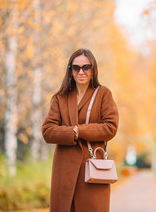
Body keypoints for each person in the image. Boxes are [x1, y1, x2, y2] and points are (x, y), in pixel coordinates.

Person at [42, 48, 119, 212]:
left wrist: (80, 130)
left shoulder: (103, 94)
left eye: (86, 67)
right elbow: (48, 131)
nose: (81, 72)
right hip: (64, 172)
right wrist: (72, 133)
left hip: (92, 171)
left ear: (93, 69)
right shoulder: (60, 98)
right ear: (70, 71)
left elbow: (110, 127)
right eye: (76, 68)